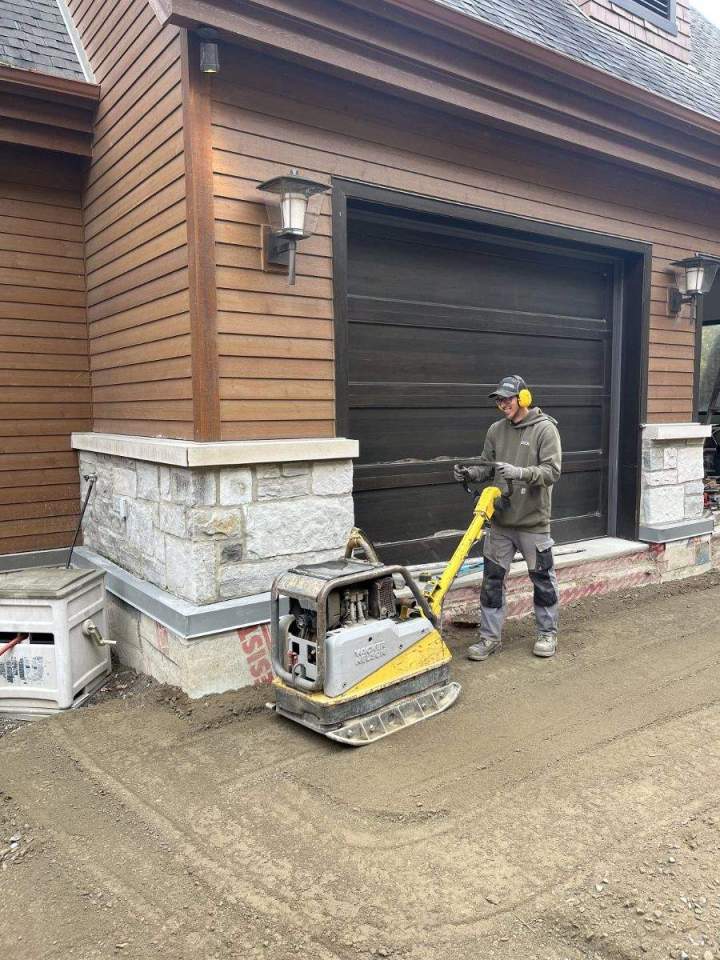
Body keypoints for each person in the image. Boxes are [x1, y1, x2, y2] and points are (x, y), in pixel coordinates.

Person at [453, 375, 562, 660]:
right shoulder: (495, 430)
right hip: (500, 522)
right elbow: (487, 467)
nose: (503, 405)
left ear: (524, 398)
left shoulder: (545, 430)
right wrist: (469, 472)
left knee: (542, 579)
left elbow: (552, 472)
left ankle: (547, 633)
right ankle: (489, 638)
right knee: (491, 581)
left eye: (508, 399)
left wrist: (520, 473)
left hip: (533, 522)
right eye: (499, 400)